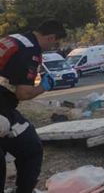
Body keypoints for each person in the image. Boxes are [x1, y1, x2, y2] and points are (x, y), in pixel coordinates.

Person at [0, 20, 67, 193]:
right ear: (51, 37)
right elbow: (23, 93)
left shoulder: (14, 38)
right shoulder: (31, 51)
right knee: (31, 149)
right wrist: (44, 86)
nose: (54, 46)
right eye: (56, 42)